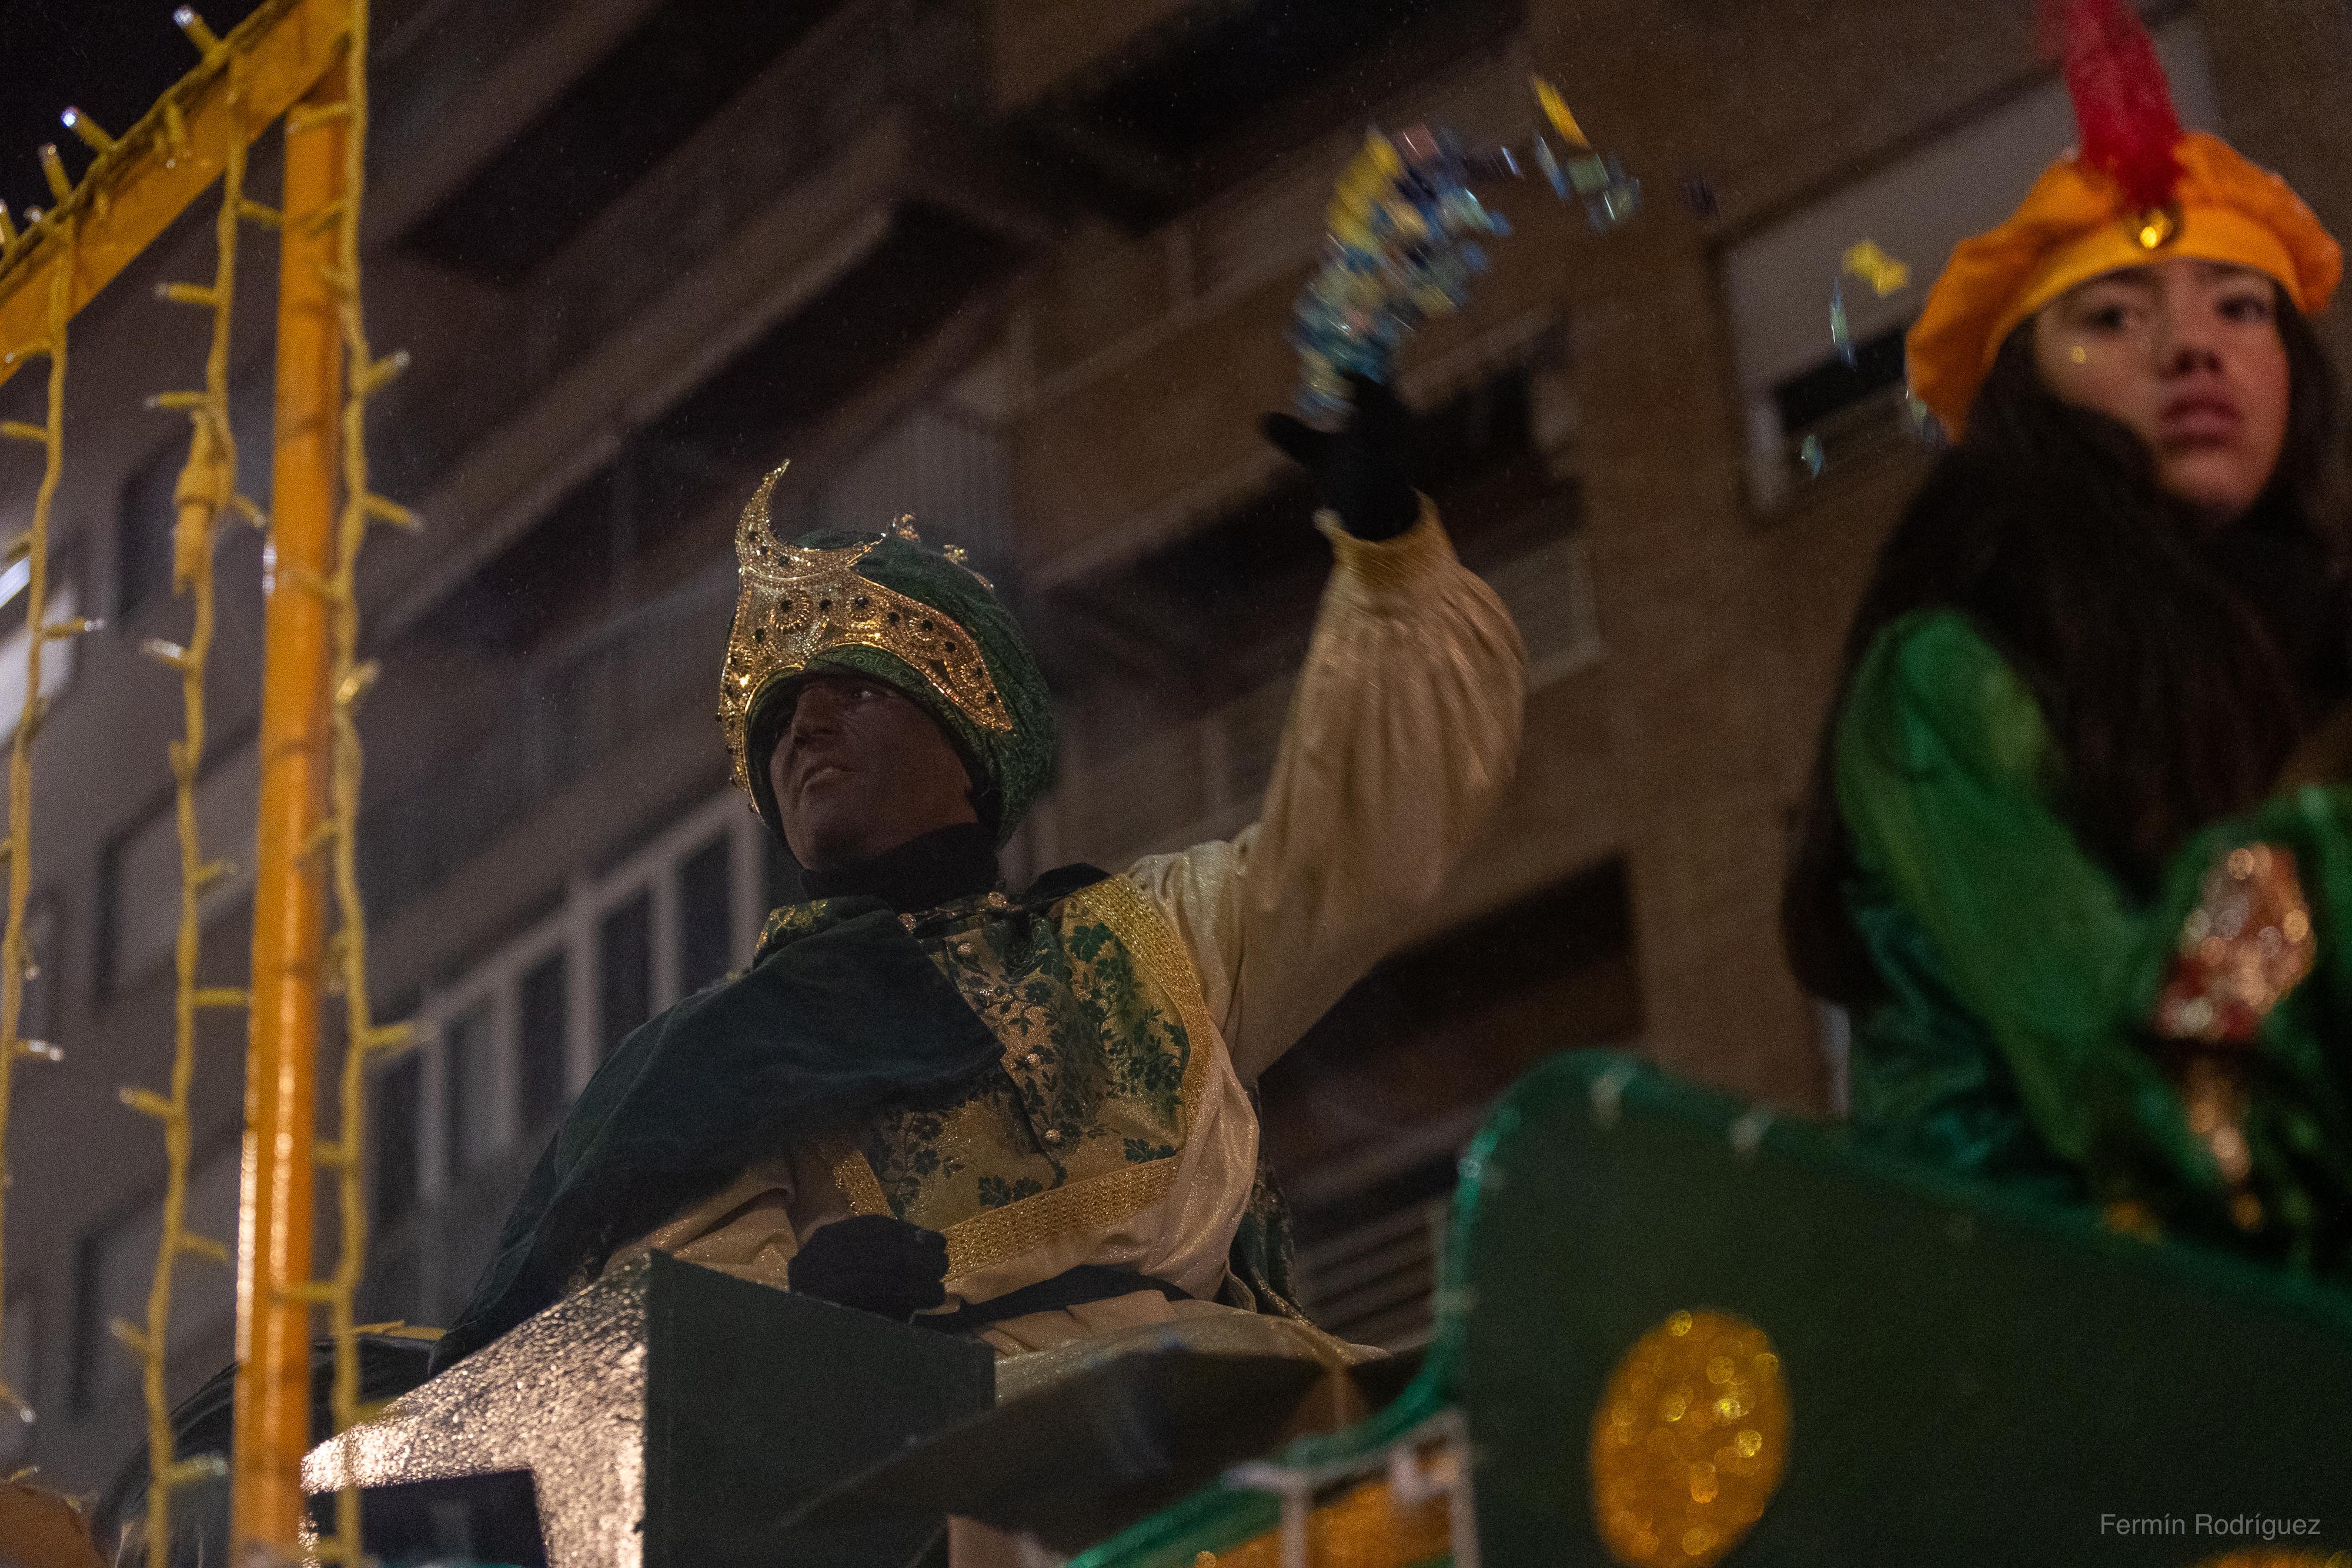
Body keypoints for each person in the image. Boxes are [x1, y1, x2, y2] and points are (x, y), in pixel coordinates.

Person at [430, 373, 1525, 1373]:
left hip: (1222, 1422)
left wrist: (1390, 562)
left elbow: (1361, 843)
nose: (804, 727)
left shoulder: (1146, 940)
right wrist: (811, 1313)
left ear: (964, 734)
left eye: (853, 690)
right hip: (950, 1464)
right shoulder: (728, 1055)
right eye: (778, 725)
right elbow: (672, 1339)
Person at [1783, 0, 2352, 1281]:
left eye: (2239, 307)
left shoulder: (2316, 657)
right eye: (2110, 315)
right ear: (2028, 403)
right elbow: (2129, 1074)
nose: (2193, 343)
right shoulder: (1939, 673)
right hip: (2051, 1351)